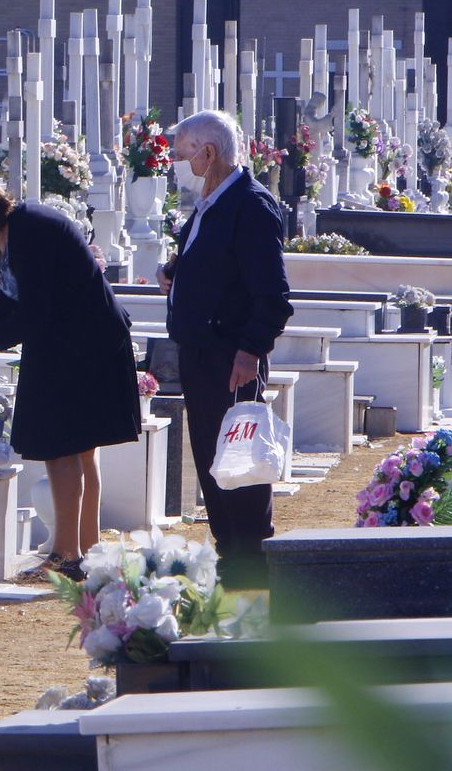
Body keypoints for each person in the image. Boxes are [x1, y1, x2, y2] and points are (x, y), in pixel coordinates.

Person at [0, 173, 141, 578]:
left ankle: (69, 556)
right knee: (75, 448)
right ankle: (82, 550)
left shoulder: (33, 230)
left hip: (86, 344)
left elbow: (37, 310)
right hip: (60, 344)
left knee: (64, 445)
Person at [157, 110, 293, 590]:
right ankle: (229, 556)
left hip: (229, 358)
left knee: (239, 462)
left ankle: (250, 563)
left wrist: (250, 351)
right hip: (200, 352)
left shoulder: (249, 205)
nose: (177, 164)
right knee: (214, 463)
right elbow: (219, 267)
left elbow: (272, 294)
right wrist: (179, 277)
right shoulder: (212, 203)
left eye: (180, 155)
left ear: (207, 153)